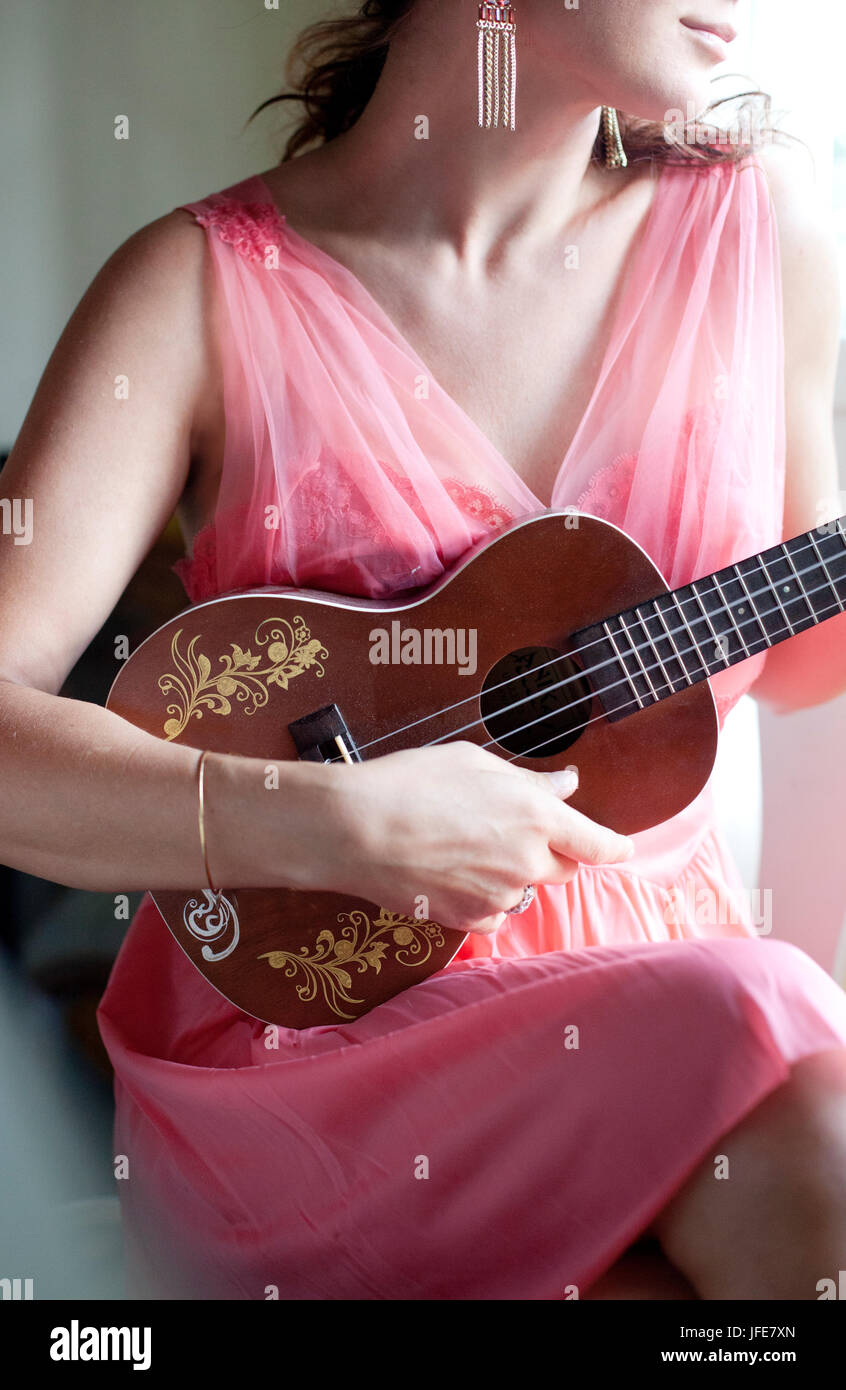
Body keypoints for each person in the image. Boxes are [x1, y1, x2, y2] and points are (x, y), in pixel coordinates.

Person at [2, 0, 846, 1300]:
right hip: (306, 1039)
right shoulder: (193, 291)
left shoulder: (763, 232)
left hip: (654, 996)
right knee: (777, 1066)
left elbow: (794, 662)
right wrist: (334, 824)